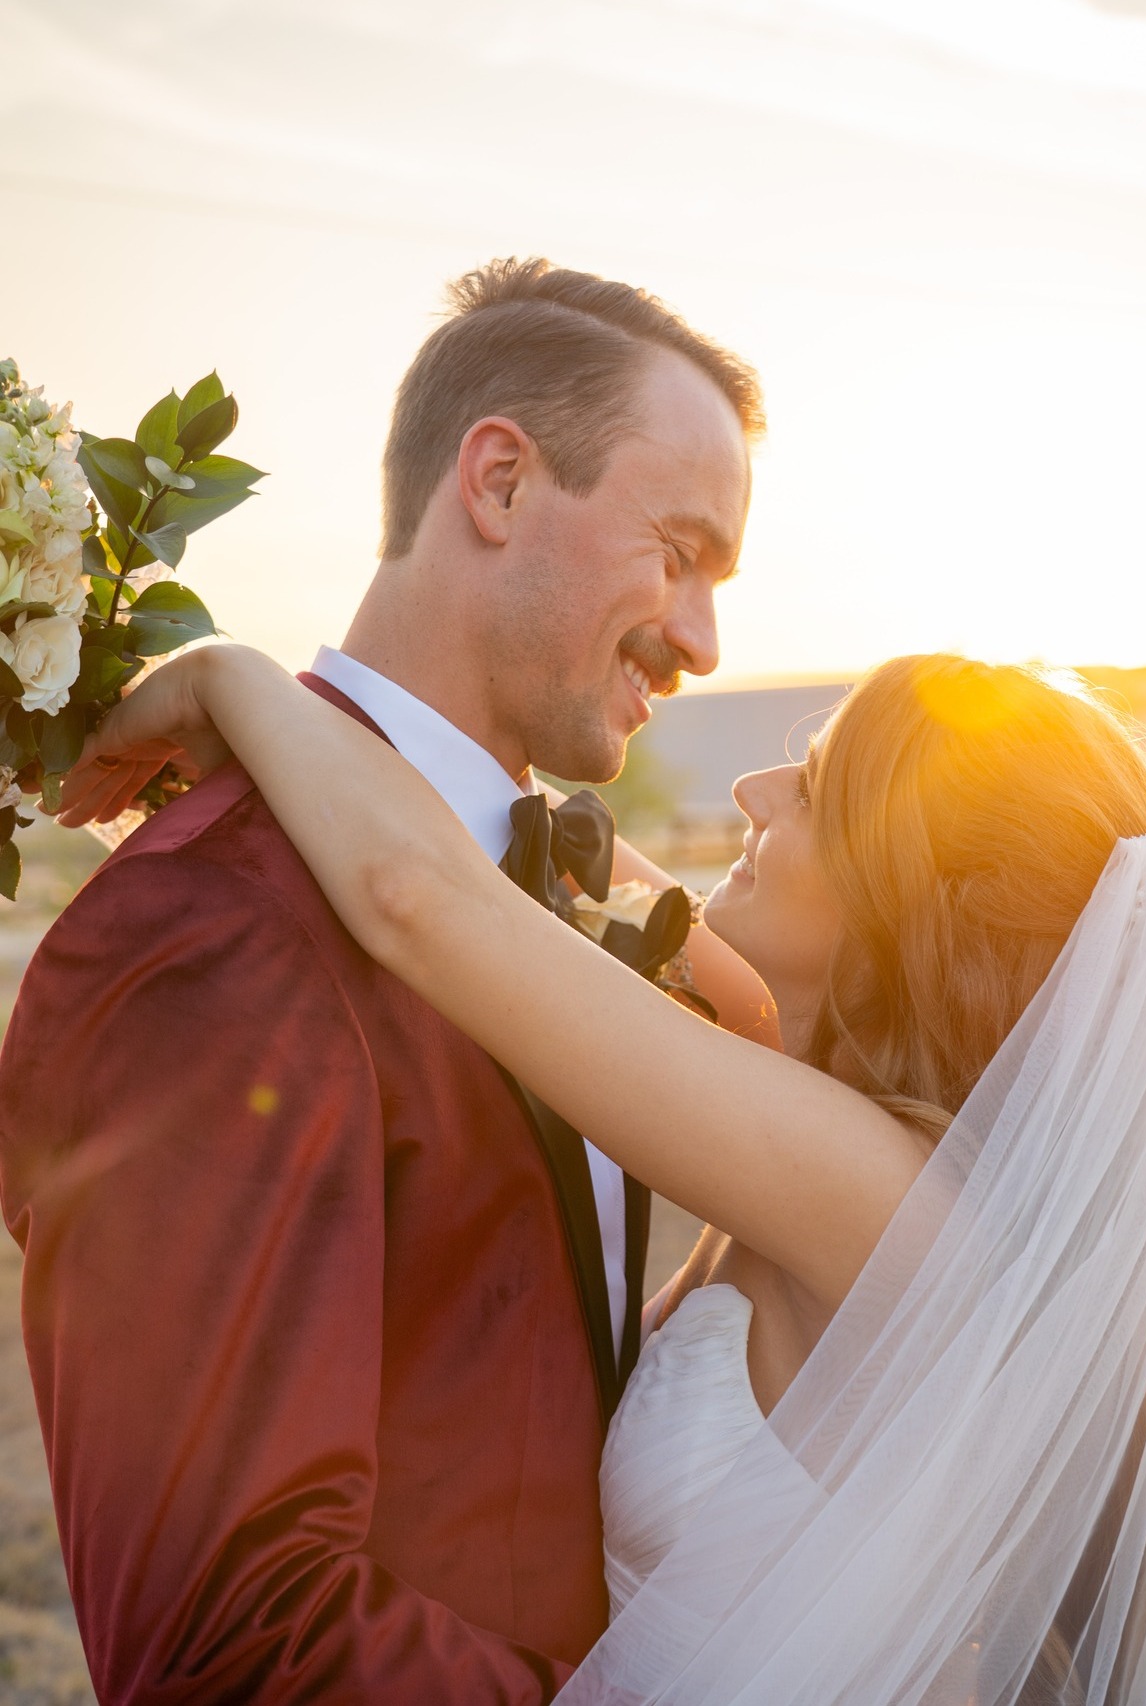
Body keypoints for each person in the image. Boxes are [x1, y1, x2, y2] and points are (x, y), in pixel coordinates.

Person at [58, 647, 1146, 1704]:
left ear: (906, 888)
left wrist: (232, 673)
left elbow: (422, 896)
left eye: (819, 780)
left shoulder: (881, 1197)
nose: (754, 785)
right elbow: (529, 853)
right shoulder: (825, 1114)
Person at [0, 258, 772, 1703]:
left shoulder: (559, 887)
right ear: (497, 481)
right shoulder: (204, 930)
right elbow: (230, 1641)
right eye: (677, 551)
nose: (703, 639)